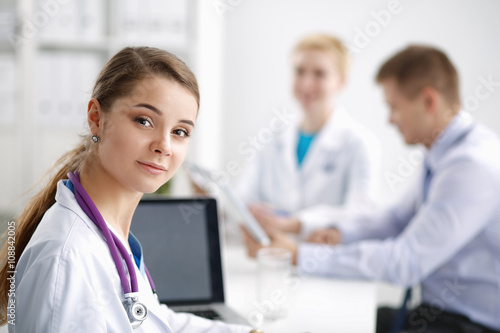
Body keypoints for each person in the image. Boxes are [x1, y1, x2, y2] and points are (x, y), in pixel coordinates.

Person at [242, 45, 500, 333]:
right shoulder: (444, 154)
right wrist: (341, 234)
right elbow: (395, 220)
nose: (390, 119)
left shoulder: (470, 166)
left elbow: (406, 262)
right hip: (436, 311)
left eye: (394, 106)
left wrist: (299, 255)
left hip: (468, 324)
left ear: (428, 101)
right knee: (334, 321)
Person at [0, 47, 257, 333]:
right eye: (144, 121)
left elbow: (155, 322)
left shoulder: (110, 234)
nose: (165, 146)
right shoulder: (67, 259)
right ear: (97, 118)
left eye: (180, 131)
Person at [237, 34, 380, 238]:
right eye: (299, 72)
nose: (306, 84)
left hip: (326, 263)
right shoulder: (272, 136)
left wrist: (295, 224)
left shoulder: (360, 142)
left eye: (319, 74)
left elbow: (361, 215)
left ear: (341, 82)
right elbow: (245, 198)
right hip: (272, 255)